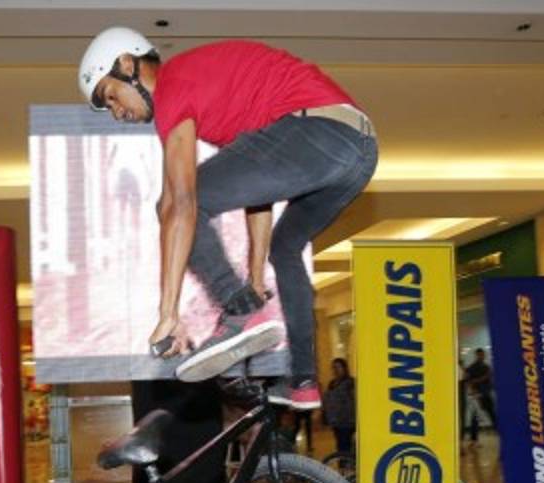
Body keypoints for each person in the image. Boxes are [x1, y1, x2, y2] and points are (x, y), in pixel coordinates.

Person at [78, 28, 378, 409]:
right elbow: (261, 193)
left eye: (111, 96)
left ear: (127, 65)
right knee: (286, 249)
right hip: (358, 149)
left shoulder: (172, 87)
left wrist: (168, 313)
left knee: (170, 204)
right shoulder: (222, 95)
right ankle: (303, 379)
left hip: (318, 131)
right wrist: (254, 278)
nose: (118, 113)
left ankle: (238, 310)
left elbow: (182, 205)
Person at [463, 348, 496, 444]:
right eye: (480, 355)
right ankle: (474, 438)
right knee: (476, 416)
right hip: (477, 395)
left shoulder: (486, 367)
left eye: (483, 355)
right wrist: (483, 379)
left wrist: (490, 386)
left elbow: (490, 381)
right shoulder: (471, 368)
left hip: (486, 393)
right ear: (476, 355)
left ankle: (498, 432)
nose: (482, 356)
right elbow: (469, 381)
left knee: (492, 413)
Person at [323, 357, 355, 453]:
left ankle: (347, 464)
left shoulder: (351, 382)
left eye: (338, 367)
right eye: (333, 368)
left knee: (345, 444)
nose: (335, 370)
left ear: (344, 368)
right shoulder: (332, 383)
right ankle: (342, 465)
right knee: (340, 444)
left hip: (347, 421)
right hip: (336, 421)